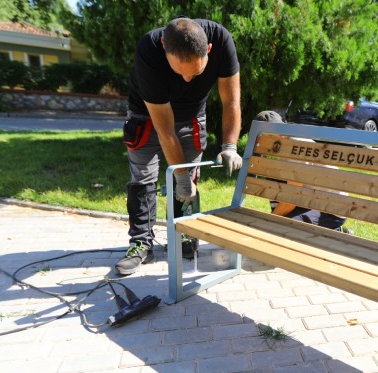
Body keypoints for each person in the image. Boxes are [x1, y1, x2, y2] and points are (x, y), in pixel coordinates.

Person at [116, 17, 242, 275]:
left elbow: (231, 102)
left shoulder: (220, 40)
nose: (186, 79)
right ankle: (141, 243)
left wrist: (230, 145)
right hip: (147, 113)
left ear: (208, 50)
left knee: (190, 176)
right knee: (144, 176)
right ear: (164, 47)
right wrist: (180, 176)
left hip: (193, 115)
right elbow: (165, 131)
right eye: (179, 71)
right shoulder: (149, 50)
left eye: (195, 72)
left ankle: (185, 234)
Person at [253, 111, 352, 234]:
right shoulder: (285, 145)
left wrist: (270, 221)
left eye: (262, 138)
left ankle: (337, 230)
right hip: (311, 200)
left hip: (331, 211)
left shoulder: (295, 148)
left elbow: (292, 199)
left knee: (286, 227)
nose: (260, 144)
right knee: (275, 177)